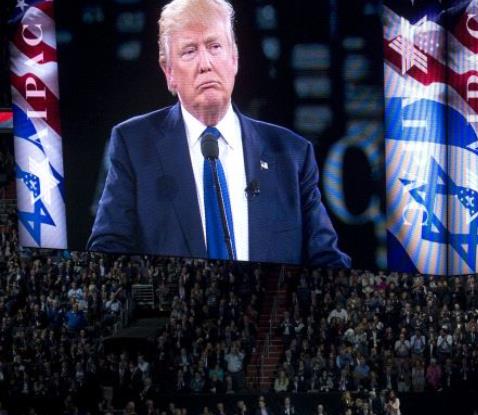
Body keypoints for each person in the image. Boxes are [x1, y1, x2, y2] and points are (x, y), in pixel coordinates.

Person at [88, 0, 350, 267]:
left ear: (234, 59)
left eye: (215, 47)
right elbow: (108, 251)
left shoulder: (292, 154)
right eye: (189, 51)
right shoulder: (134, 144)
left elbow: (327, 259)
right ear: (169, 73)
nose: (205, 64)